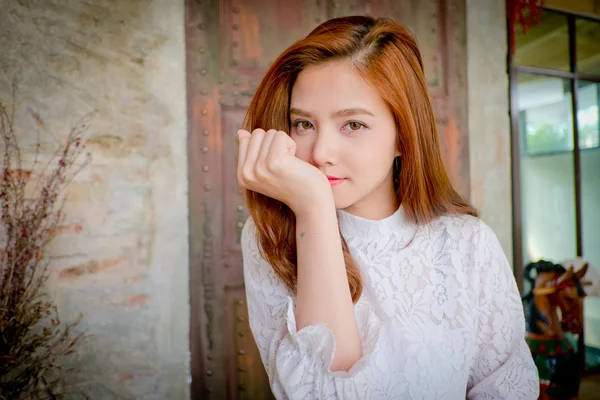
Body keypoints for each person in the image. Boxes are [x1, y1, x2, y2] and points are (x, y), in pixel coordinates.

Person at [236, 15, 539, 400]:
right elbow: (320, 393)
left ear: (403, 136)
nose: (321, 153)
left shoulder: (467, 243)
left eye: (353, 125)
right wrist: (313, 210)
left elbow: (506, 387)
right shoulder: (272, 236)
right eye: (304, 124)